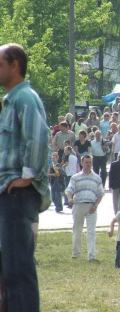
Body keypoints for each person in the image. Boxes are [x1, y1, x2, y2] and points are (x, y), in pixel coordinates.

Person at [0, 43, 51, 312]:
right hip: (10, 194)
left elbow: (39, 139)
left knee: (19, 269)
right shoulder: (10, 101)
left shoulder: (25, 98)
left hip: (18, 195)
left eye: (0, 64)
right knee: (10, 268)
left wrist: (27, 177)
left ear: (14, 65)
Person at [65, 155, 104, 262]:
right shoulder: (75, 177)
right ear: (82, 163)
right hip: (78, 205)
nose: (88, 164)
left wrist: (96, 205)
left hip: (91, 206)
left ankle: (92, 256)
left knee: (91, 232)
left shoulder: (97, 178)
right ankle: (75, 254)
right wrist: (69, 198)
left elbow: (100, 193)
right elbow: (69, 189)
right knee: (77, 230)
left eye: (90, 162)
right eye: (86, 162)